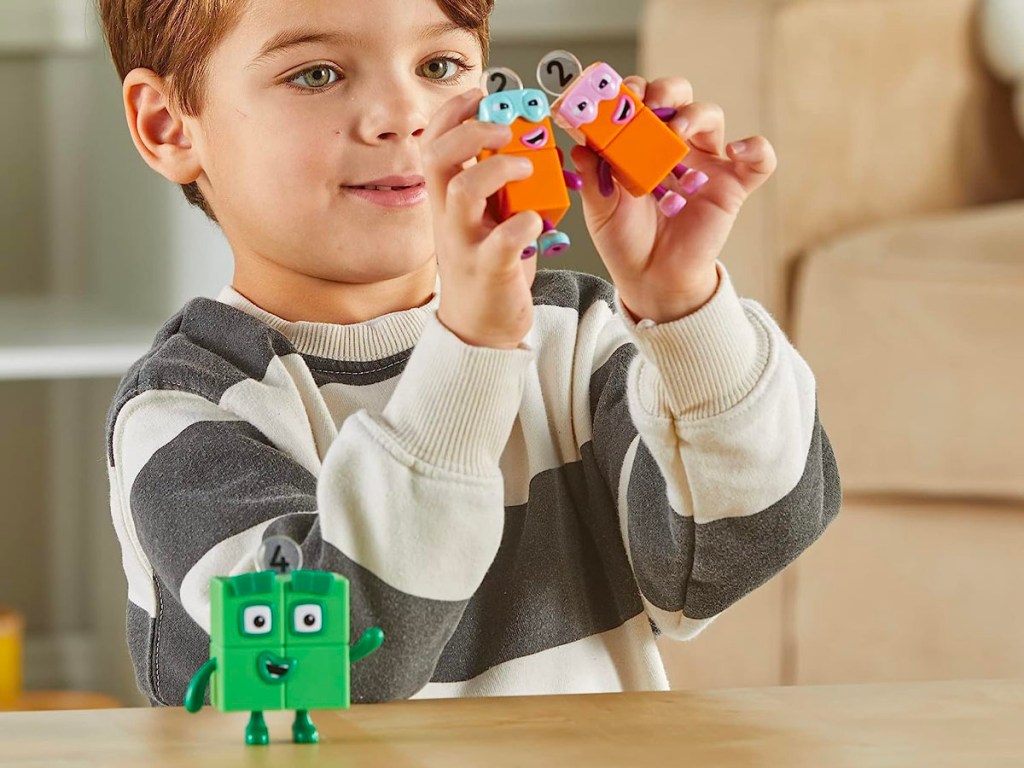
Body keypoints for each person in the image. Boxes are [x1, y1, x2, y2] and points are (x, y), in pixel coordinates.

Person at [99, 0, 841, 705]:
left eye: (439, 66)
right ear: (169, 126)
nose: (405, 117)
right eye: (316, 74)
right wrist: (473, 349)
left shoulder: (571, 332)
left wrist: (685, 308)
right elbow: (342, 663)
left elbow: (734, 549)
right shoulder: (185, 410)